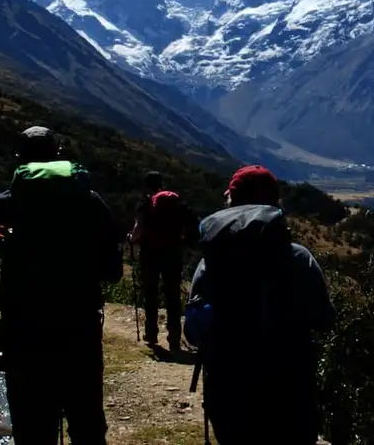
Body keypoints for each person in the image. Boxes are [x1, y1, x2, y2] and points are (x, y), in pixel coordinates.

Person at [0, 126, 123, 445]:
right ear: (58, 155)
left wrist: (0, 237)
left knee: (32, 425)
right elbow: (112, 270)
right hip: (78, 325)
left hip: (23, 329)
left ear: (19, 160)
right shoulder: (89, 200)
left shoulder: (4, 203)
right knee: (87, 423)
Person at [185, 164, 337, 445]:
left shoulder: (212, 262)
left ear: (230, 200)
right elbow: (325, 318)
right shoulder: (299, 258)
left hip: (228, 392)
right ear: (275, 203)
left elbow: (193, 333)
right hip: (290, 393)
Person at [128, 170, 198, 352]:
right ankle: (174, 337)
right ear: (162, 183)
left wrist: (132, 239)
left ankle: (151, 334)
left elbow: (138, 230)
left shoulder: (145, 203)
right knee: (172, 295)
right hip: (173, 253)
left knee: (151, 293)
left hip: (150, 253)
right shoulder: (175, 203)